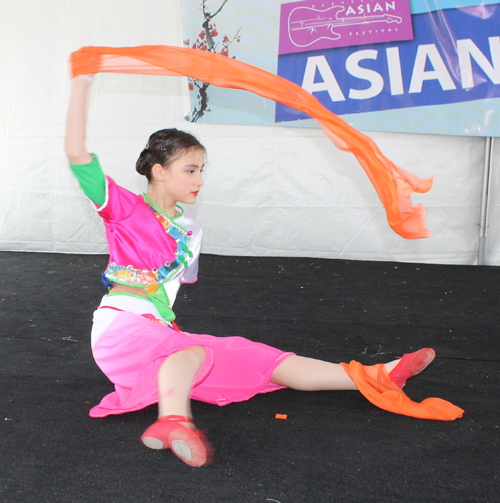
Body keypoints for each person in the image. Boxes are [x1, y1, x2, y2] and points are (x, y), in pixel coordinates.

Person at [64, 74, 440, 468]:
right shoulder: (124, 209)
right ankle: (171, 420)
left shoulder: (189, 230)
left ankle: (378, 375)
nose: (201, 180)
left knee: (262, 359)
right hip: (120, 332)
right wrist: (82, 83)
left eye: (202, 169)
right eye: (190, 170)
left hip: (160, 334)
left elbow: (171, 293)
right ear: (158, 171)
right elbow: (77, 155)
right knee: (194, 352)